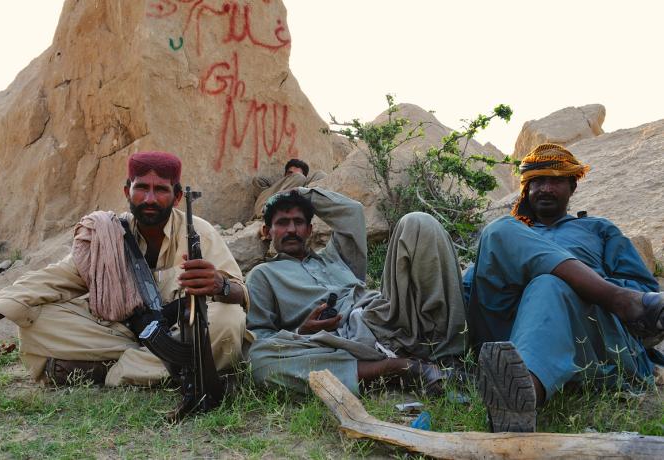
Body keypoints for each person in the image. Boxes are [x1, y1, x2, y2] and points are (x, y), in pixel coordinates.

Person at [0, 151, 250, 386]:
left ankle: (107, 371)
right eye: (141, 188)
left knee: (228, 321)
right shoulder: (109, 235)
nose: (150, 199)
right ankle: (153, 366)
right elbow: (55, 279)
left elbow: (241, 295)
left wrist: (220, 285)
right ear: (126, 191)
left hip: (179, 333)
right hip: (121, 333)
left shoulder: (197, 231)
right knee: (35, 322)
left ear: (177, 197)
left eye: (161, 190)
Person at [467, 143, 664, 432]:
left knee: (548, 284)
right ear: (526, 187)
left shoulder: (598, 229)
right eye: (538, 181)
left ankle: (523, 393)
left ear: (572, 187)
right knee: (500, 231)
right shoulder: (513, 234)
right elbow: (477, 290)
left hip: (586, 335)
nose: (546, 188)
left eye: (556, 180)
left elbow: (646, 297)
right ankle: (515, 384)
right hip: (508, 335)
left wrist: (579, 283)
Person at [246, 187, 467, 395]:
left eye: (298, 222)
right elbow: (261, 337)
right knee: (259, 360)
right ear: (267, 231)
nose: (292, 230)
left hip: (383, 315)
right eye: (282, 223)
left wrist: (298, 193)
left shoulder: (336, 255)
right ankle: (398, 368)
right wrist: (302, 331)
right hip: (338, 344)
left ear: (310, 230)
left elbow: (352, 212)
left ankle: (450, 360)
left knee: (418, 222)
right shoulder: (262, 274)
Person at [251, 159, 327, 218]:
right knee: (299, 178)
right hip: (268, 207)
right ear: (284, 175)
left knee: (321, 174)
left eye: (295, 175)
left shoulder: (303, 181)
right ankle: (271, 207)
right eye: (290, 174)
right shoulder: (278, 185)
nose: (293, 177)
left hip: (300, 201)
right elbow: (258, 181)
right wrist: (279, 185)